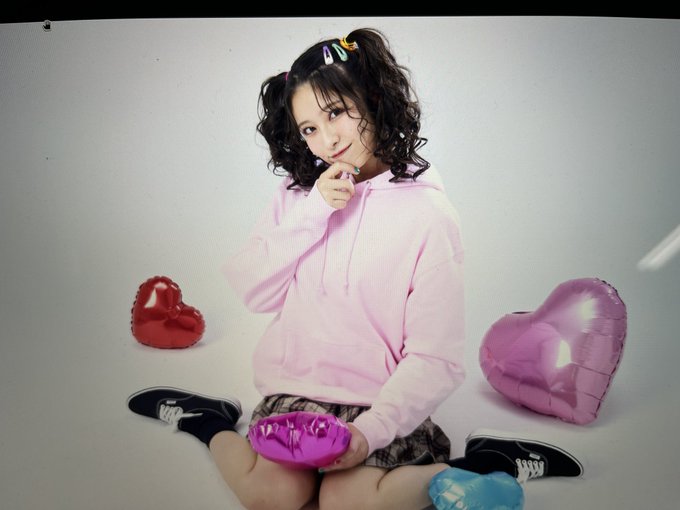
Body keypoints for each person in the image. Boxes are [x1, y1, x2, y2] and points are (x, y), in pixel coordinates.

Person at [127, 28, 582, 509]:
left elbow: (437, 359)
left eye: (335, 113)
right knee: (271, 497)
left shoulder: (428, 214)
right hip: (298, 392)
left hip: (379, 401)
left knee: (346, 504)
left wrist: (369, 433)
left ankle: (488, 461)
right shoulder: (298, 196)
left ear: (374, 100)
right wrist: (314, 212)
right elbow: (254, 292)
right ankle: (206, 420)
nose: (326, 141)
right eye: (308, 129)